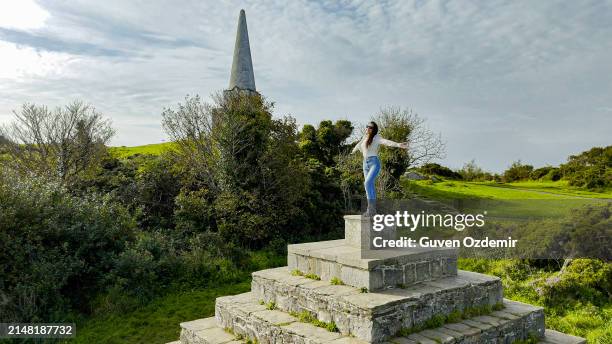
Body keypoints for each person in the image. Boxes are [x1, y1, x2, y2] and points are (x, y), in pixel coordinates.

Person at [351, 121, 408, 216]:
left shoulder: (376, 137)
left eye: (370, 127)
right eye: (367, 126)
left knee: (367, 183)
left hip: (374, 163)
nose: (368, 128)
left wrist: (398, 145)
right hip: (365, 164)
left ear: (374, 130)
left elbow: (386, 142)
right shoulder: (364, 137)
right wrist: (353, 151)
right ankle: (372, 210)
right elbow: (359, 144)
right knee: (368, 186)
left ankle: (370, 209)